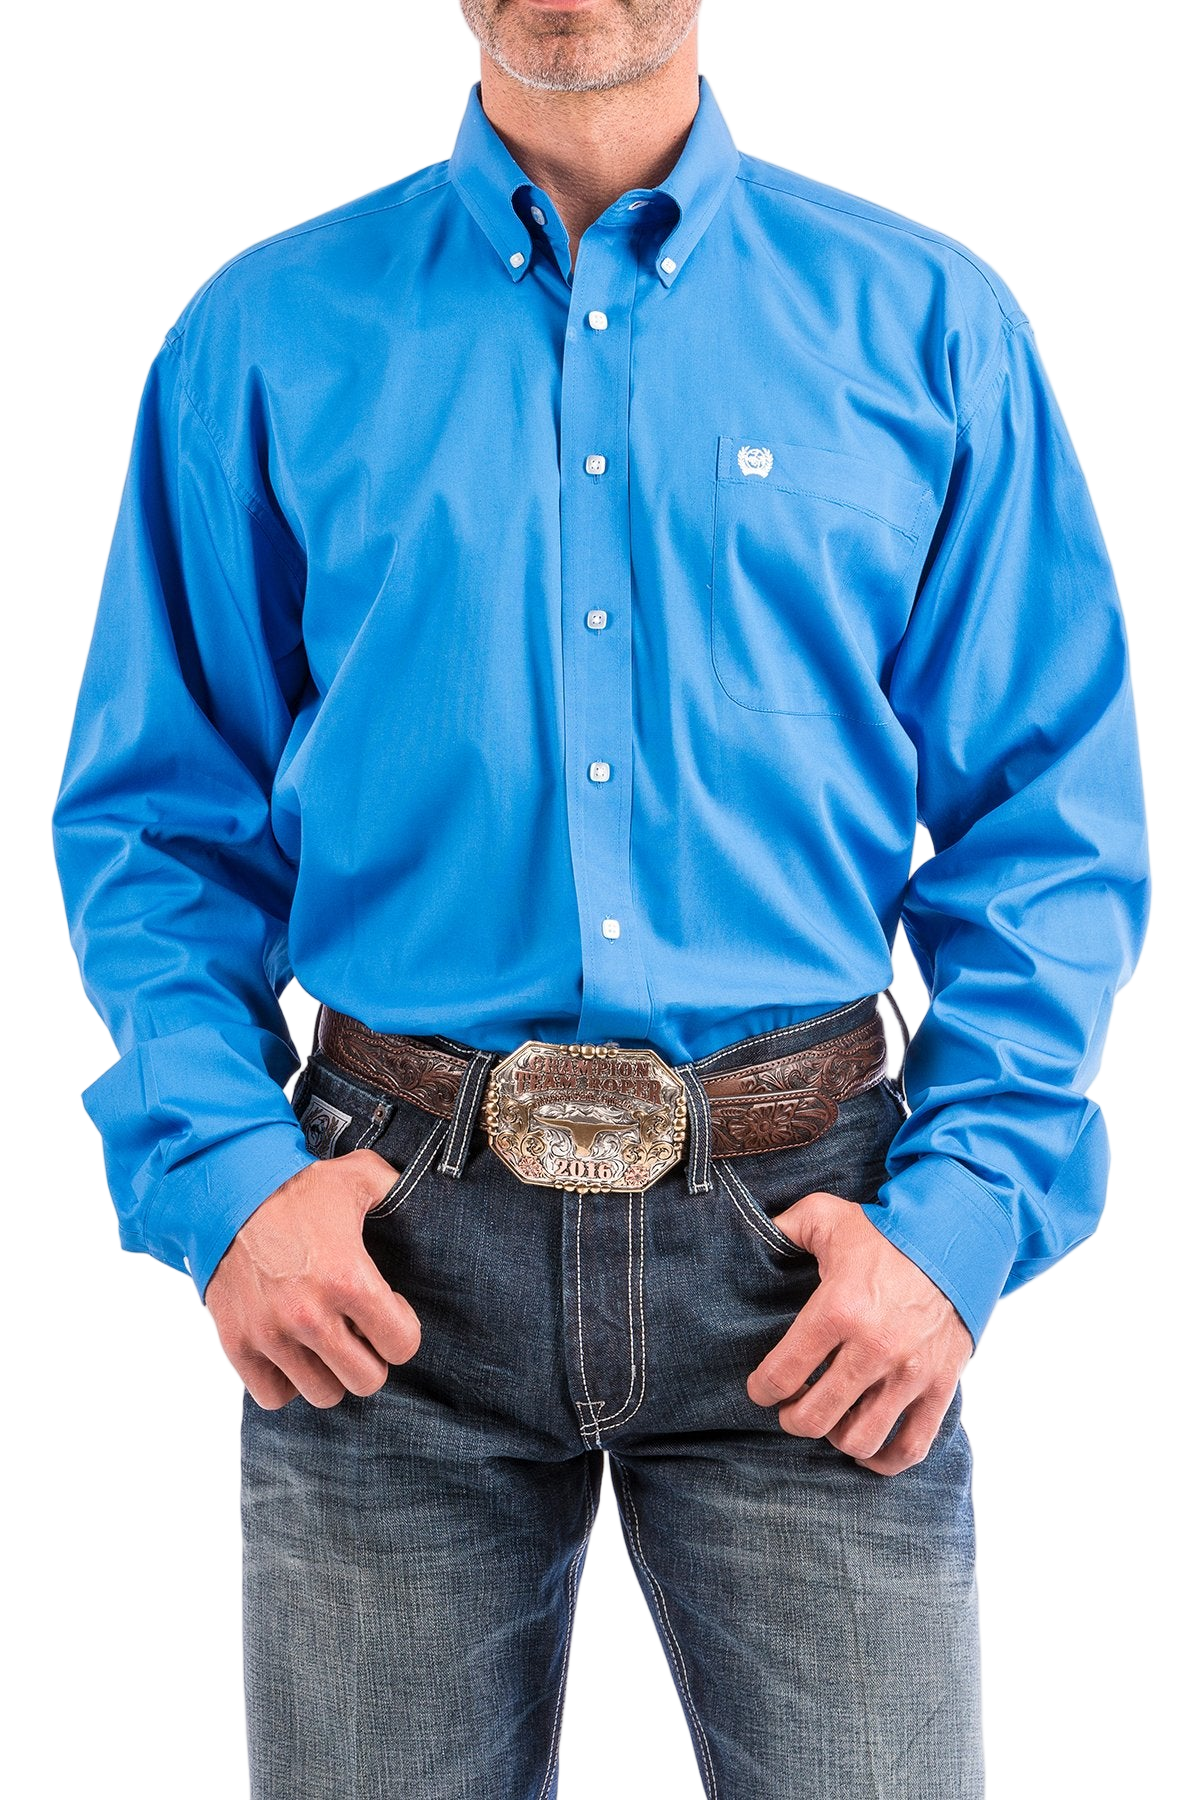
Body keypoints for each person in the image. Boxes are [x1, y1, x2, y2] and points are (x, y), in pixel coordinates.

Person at [51, 1, 1150, 1794]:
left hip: (815, 1260)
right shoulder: (259, 333)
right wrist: (232, 1185)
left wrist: (963, 1227)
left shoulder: (932, 320)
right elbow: (158, 824)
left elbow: (1047, 827)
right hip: (378, 1261)